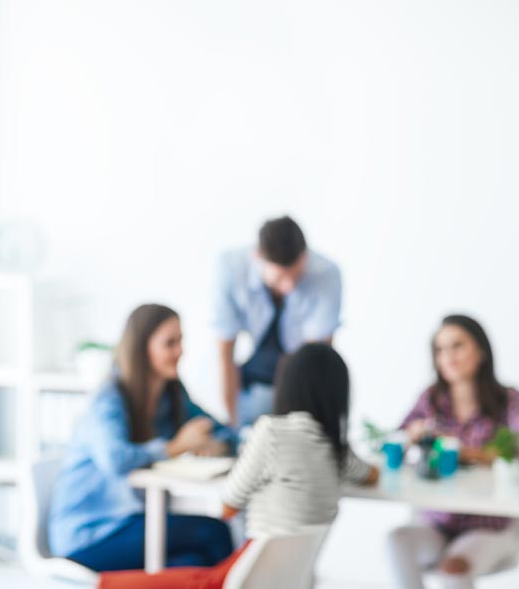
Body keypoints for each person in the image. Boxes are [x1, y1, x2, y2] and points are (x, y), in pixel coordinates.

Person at [98, 343, 379, 589]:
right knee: (193, 563)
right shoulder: (337, 450)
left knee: (139, 581)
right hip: (283, 577)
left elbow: (229, 504)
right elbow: (370, 474)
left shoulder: (271, 432)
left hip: (251, 569)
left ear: (288, 385)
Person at [48, 304, 237, 571]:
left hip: (133, 521)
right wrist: (176, 446)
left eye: (181, 341)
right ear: (142, 349)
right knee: (213, 532)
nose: (180, 351)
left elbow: (219, 429)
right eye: (170, 343)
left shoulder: (171, 394)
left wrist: (216, 444)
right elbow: (116, 460)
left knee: (194, 564)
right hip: (90, 534)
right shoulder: (110, 399)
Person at [387, 315, 519, 589]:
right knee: (396, 540)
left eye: (457, 346)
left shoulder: (508, 399)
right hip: (437, 521)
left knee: (453, 567)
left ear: (480, 351)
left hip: (490, 525)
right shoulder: (431, 399)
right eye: (440, 349)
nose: (448, 356)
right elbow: (393, 441)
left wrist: (471, 453)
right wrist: (411, 436)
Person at [213, 216, 342, 429]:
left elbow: (316, 360)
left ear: (305, 257)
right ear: (258, 258)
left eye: (296, 275)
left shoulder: (326, 273)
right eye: (280, 278)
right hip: (252, 382)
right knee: (254, 409)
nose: (290, 287)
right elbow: (225, 352)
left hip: (298, 381)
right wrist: (232, 426)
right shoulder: (229, 268)